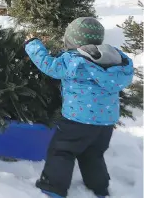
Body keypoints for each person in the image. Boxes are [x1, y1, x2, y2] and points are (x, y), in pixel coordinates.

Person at [24, 17, 134, 198]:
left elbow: (49, 66)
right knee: (93, 154)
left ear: (72, 41)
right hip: (105, 123)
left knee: (62, 150)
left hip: (77, 120)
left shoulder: (73, 59)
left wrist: (32, 44)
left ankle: (53, 187)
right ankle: (99, 188)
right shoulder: (114, 60)